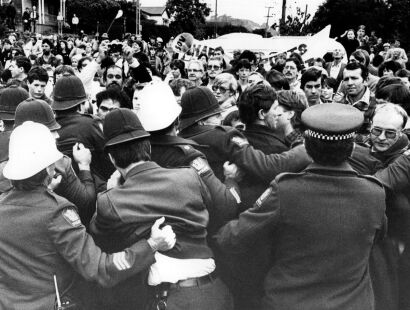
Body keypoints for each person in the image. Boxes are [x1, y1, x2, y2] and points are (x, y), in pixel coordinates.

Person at [216, 103, 387, 310]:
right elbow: (377, 238)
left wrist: (215, 229)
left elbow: (236, 236)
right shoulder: (374, 192)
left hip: (292, 302)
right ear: (351, 148)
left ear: (308, 147)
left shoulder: (286, 189)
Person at [0, 121, 176, 309]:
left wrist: (44, 193)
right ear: (49, 168)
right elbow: (101, 269)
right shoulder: (56, 213)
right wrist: (150, 245)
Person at [90, 108, 233, 310]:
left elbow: (98, 234)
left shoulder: (110, 200)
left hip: (173, 300)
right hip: (215, 292)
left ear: (112, 159)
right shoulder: (189, 176)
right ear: (147, 147)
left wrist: (111, 190)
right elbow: (216, 212)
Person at [333, 62, 377, 138]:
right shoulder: (338, 103)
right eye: (346, 79)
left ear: (365, 80)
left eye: (354, 78)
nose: (349, 83)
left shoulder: (376, 104)